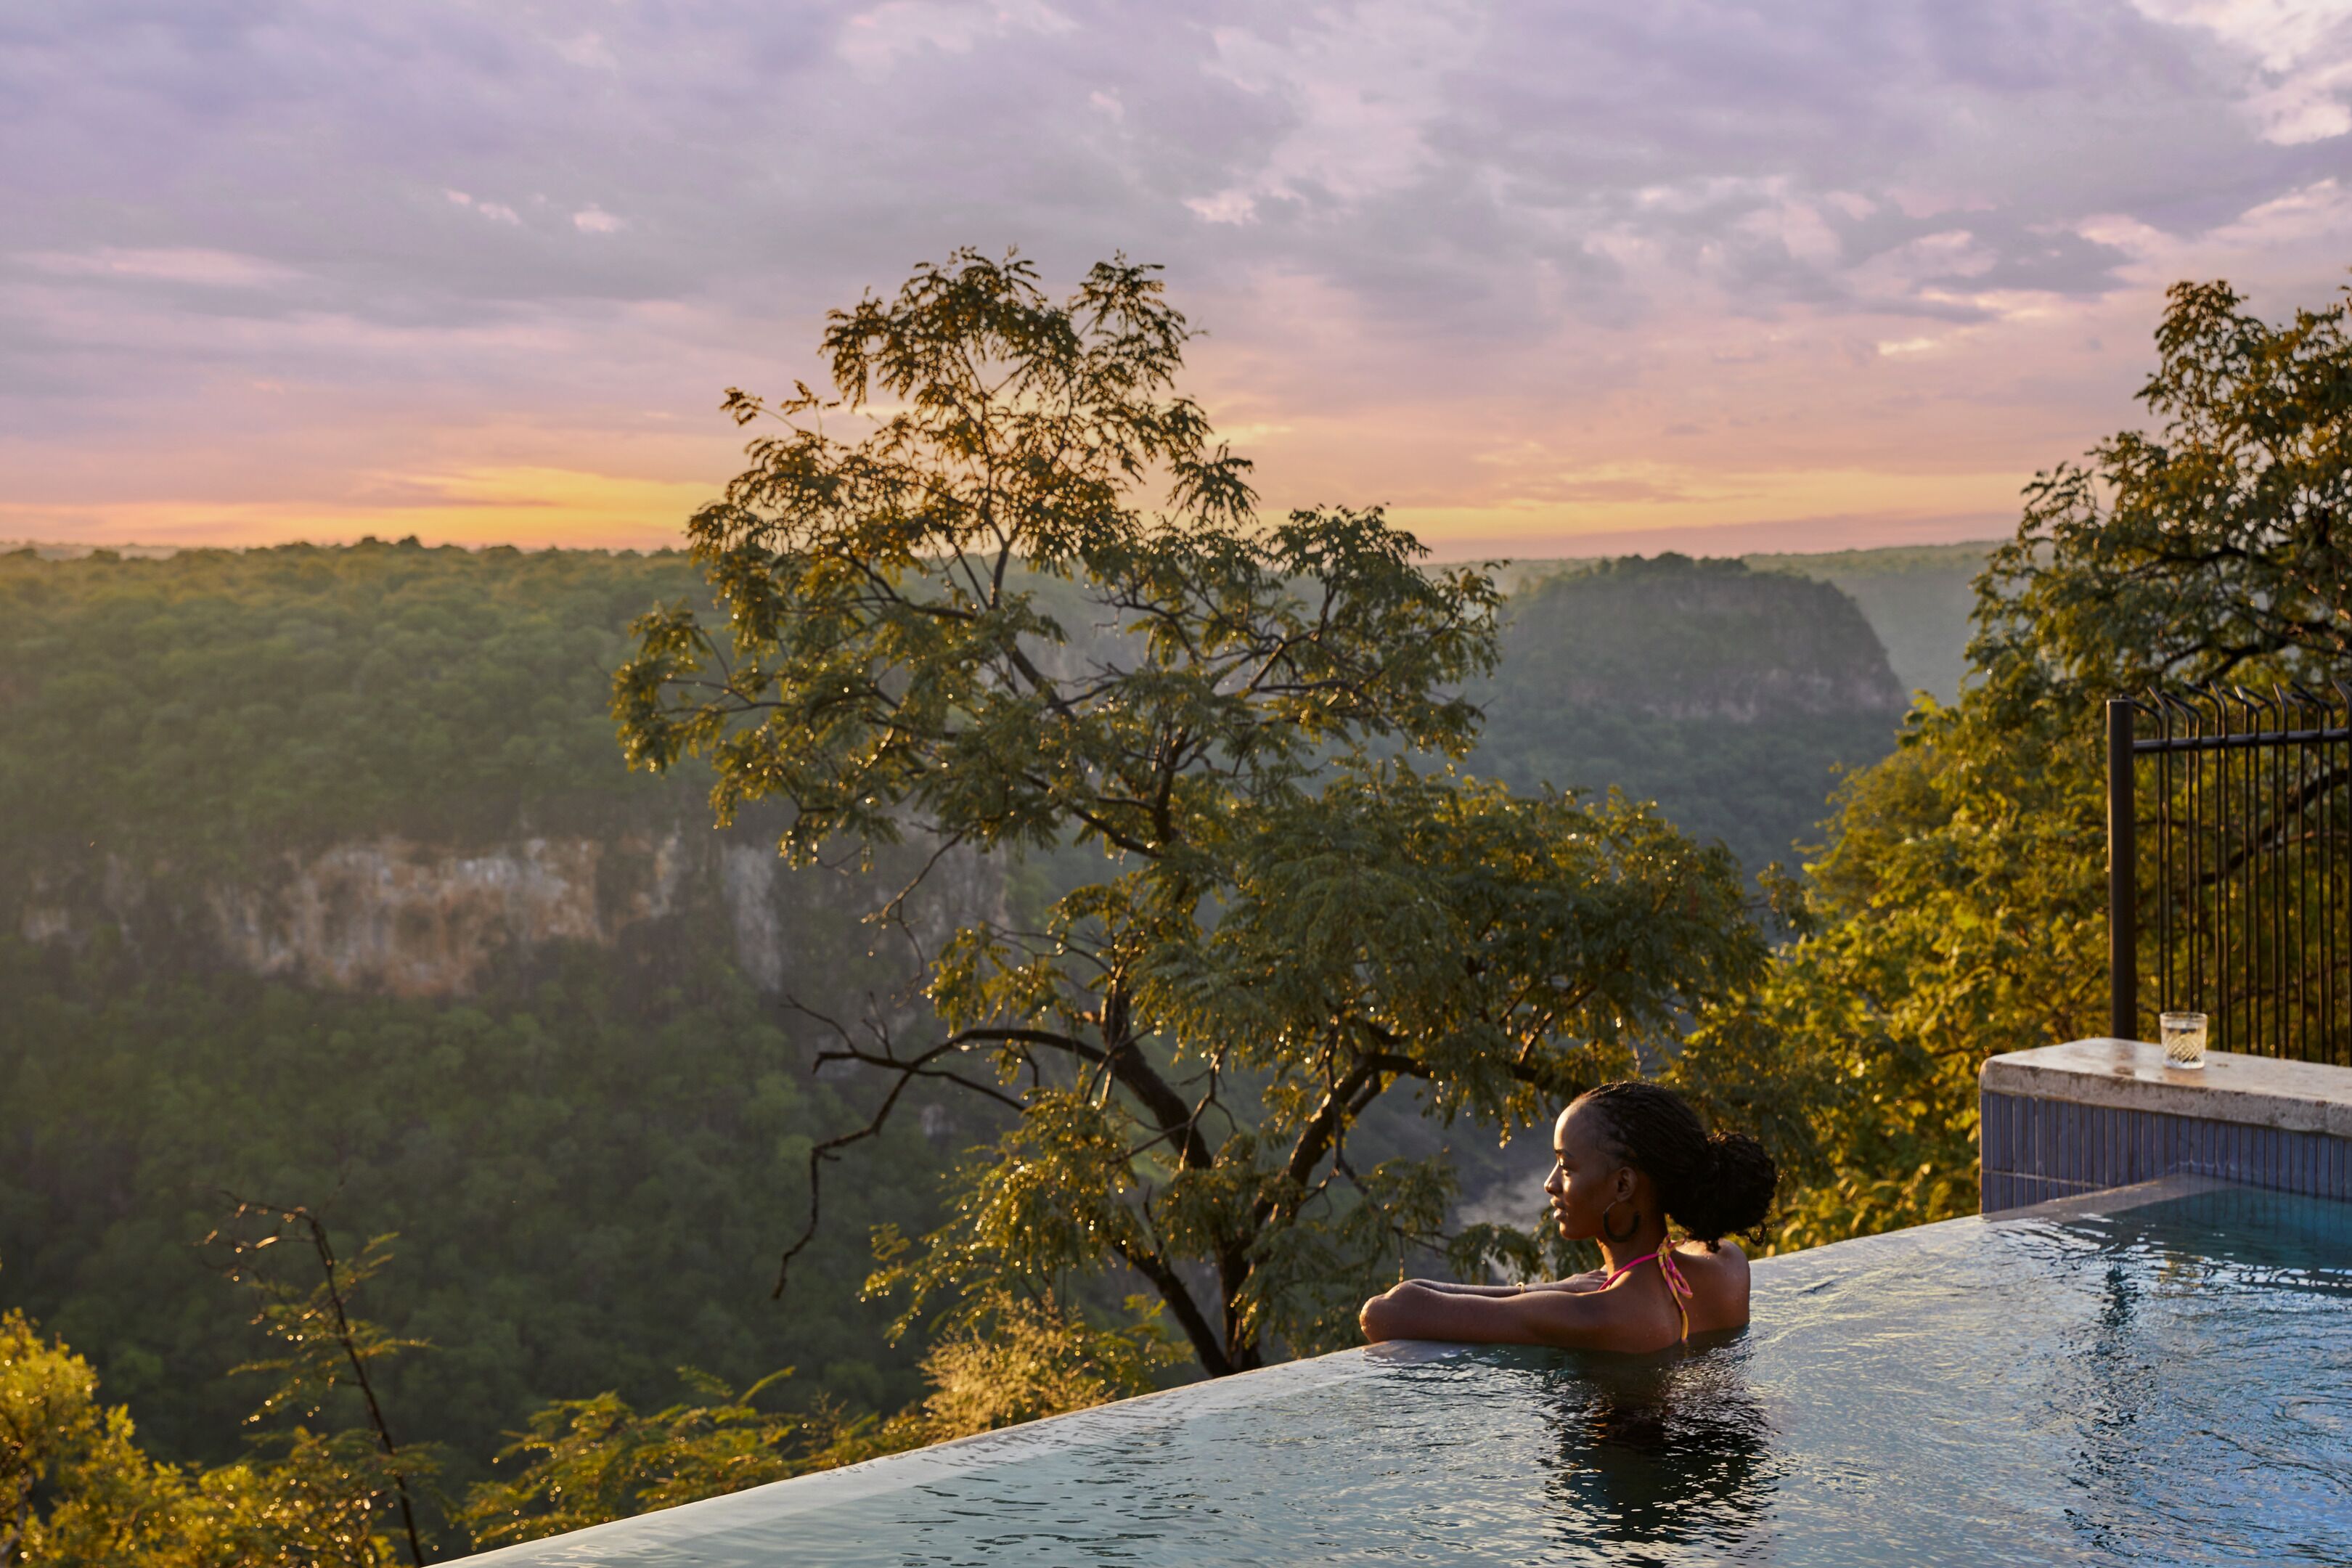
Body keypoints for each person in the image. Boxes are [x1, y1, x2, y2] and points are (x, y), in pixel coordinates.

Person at [1359, 1081, 1776, 1354]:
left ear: (1623, 1185)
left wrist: (1560, 1289)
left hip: (1627, 1486)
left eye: (1567, 1166)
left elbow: (1387, 1313)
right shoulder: (1727, 1265)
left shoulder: (1603, 1314)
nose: (1550, 1184)